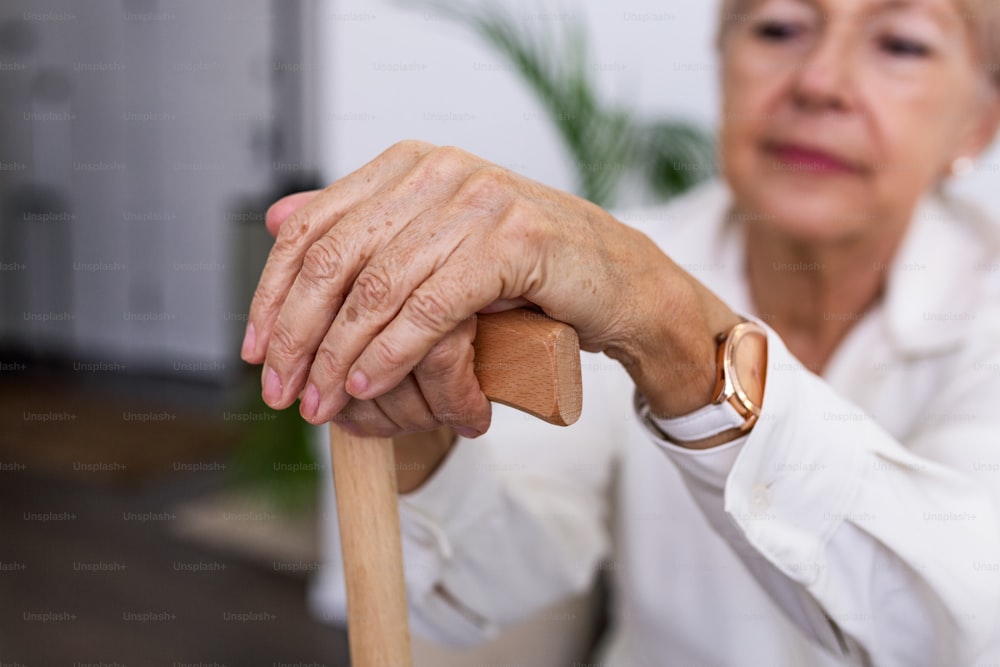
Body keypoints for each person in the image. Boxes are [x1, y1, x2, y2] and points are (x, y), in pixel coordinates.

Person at [241, 0, 1000, 663]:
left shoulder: (634, 281)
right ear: (724, 62)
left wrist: (675, 329)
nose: (820, 83)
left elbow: (957, 630)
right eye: (779, 27)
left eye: (901, 43)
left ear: (978, 122)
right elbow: (484, 586)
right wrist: (412, 415)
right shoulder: (614, 268)